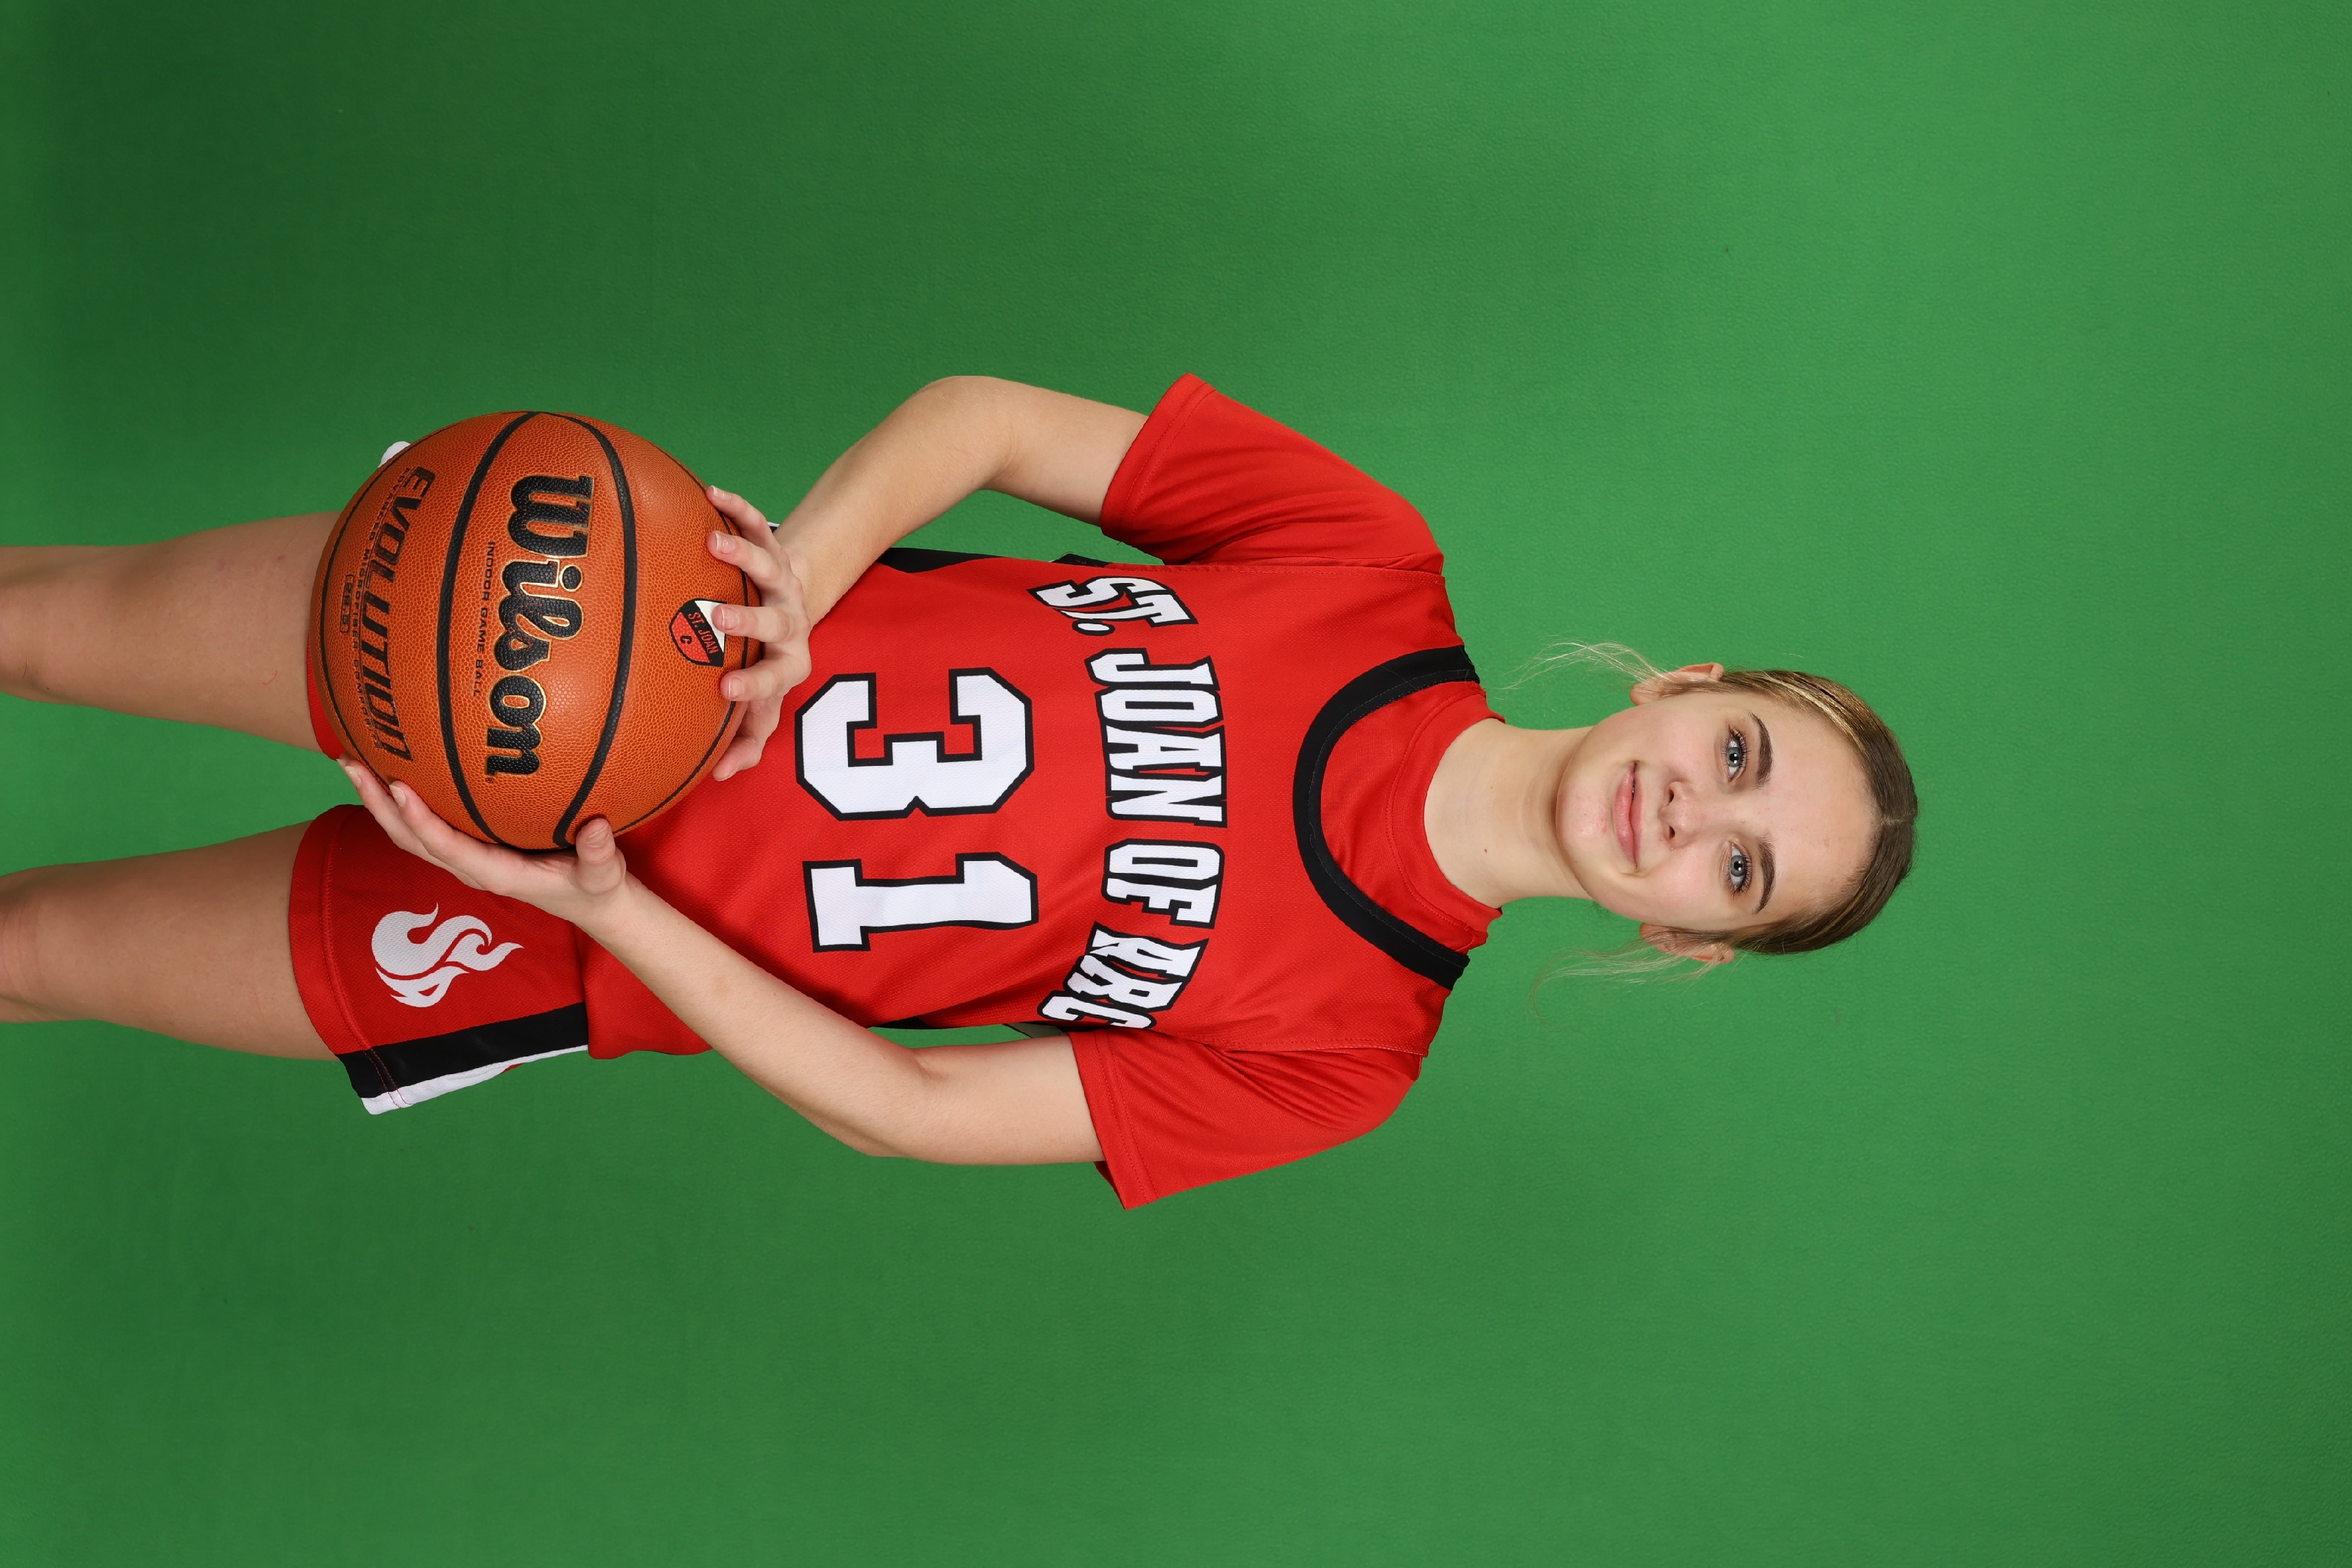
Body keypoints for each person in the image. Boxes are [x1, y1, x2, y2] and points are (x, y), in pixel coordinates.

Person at [0, 375, 1917, 1205]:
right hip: (588, 641)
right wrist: (795, 598)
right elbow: (982, 421)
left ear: (1692, 939)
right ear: (1684, 688)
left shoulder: (1349, 1055)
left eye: (1742, 870)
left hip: (564, 942)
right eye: (1738, 755)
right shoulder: (1365, 561)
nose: (1693, 814)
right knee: (43, 621)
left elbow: (909, 1111)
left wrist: (607, 907)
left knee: (33, 952)